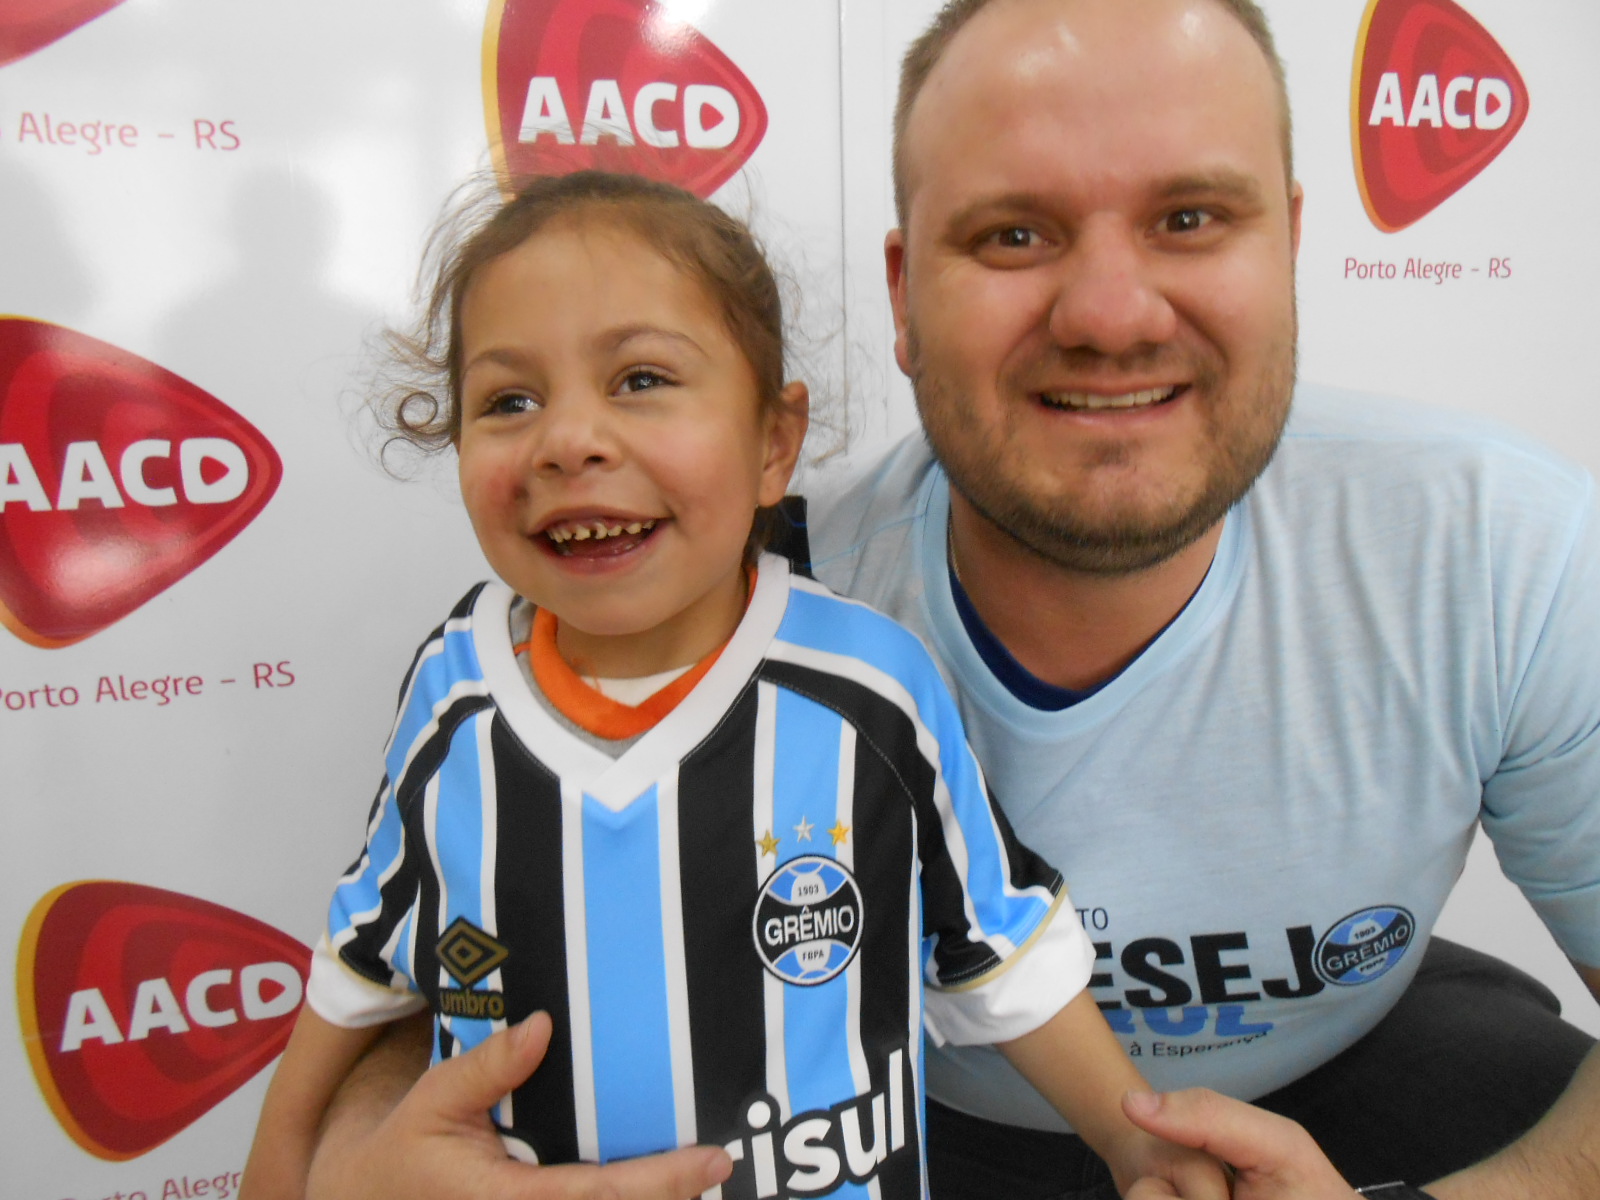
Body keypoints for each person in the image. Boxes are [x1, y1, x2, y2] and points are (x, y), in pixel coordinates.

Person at [282, 0, 1600, 1197]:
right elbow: (452, 939)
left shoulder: (1497, 548)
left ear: (1292, 245)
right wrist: (355, 1159)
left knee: (1509, 1076)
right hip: (909, 1128)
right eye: (1014, 234)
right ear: (906, 296)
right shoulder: (736, 586)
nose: (1109, 312)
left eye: (1191, 218)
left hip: (1353, 1076)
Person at [239, 170, 1231, 1200]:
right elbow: (362, 960)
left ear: (773, 443)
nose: (568, 440)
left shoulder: (869, 692)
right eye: (508, 400)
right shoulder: (452, 699)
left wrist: (1137, 1144)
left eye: (640, 381)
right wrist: (279, 1174)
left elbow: (1002, 955)